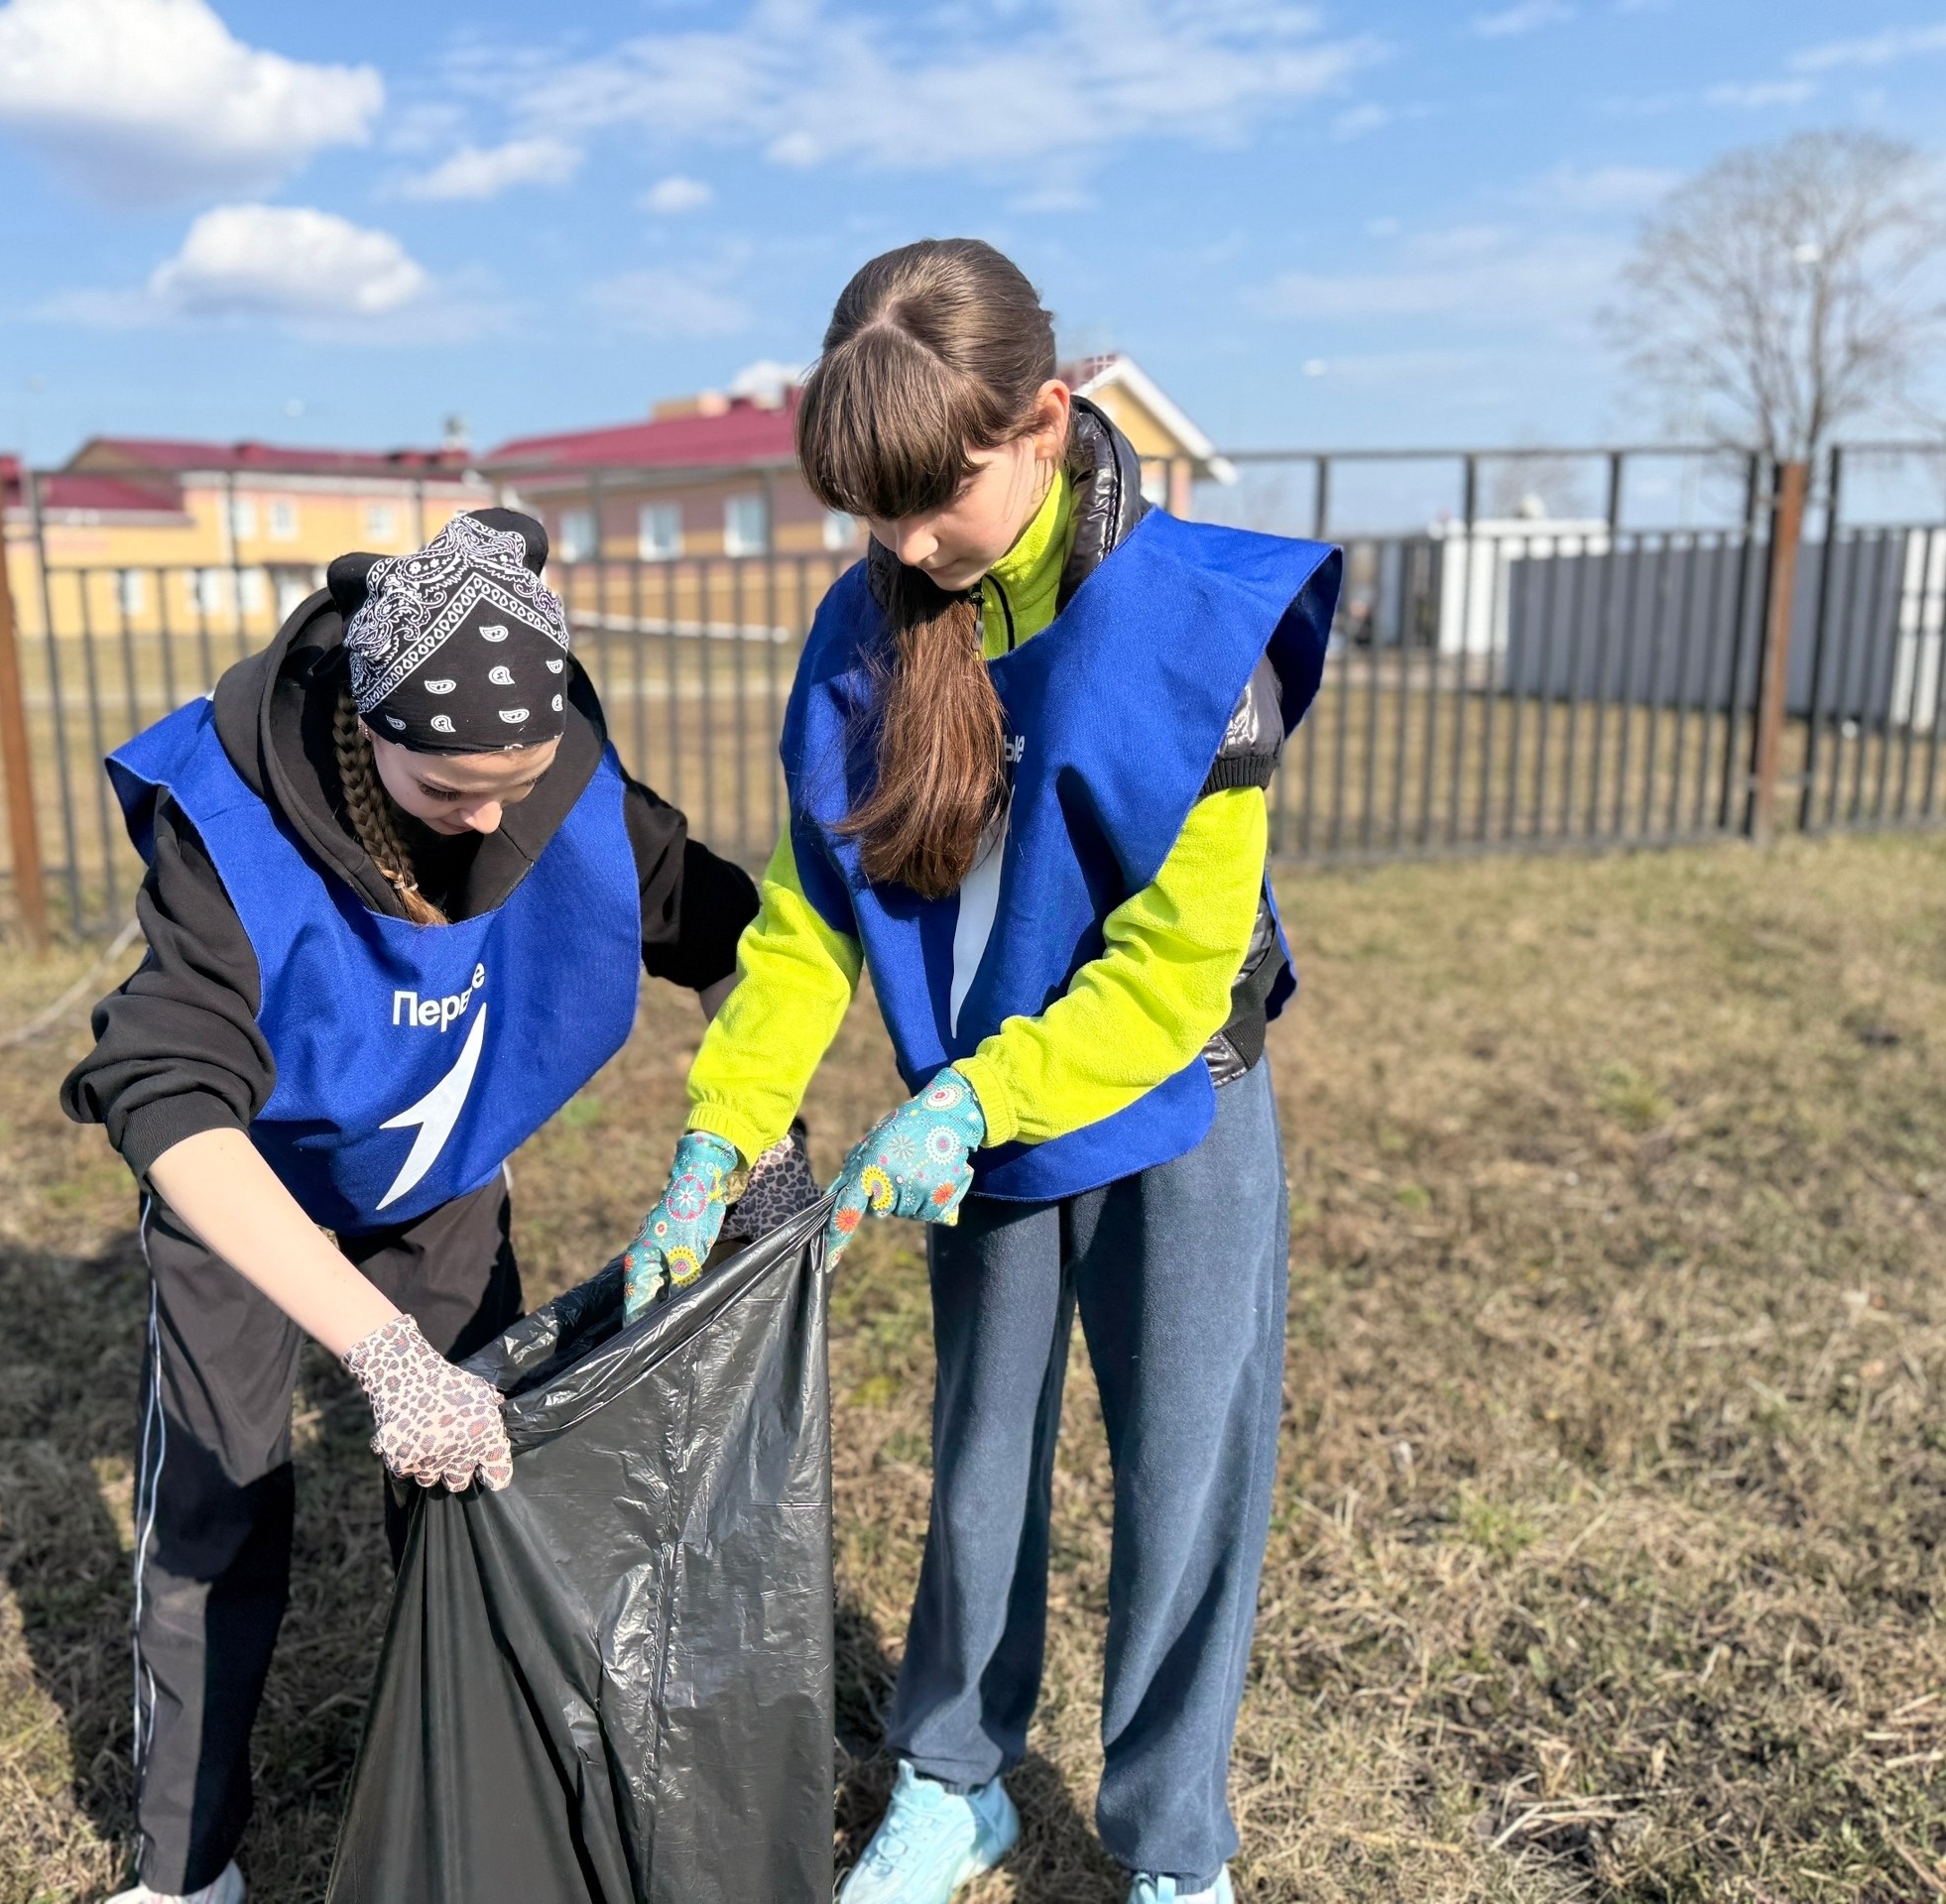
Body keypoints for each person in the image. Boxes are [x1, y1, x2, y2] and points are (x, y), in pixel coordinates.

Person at [619, 240, 1340, 1903]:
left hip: (1173, 1109)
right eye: (867, 512)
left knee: (1184, 1485)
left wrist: (969, 1097)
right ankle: (955, 1777)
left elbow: (1171, 974)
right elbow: (806, 921)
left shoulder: (1193, 629)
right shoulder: (864, 633)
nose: (902, 547)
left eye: (932, 500)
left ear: (1047, 420)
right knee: (980, 1465)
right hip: (983, 1141)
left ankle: (1175, 1849)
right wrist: (719, 1142)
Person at [64, 509, 773, 1904]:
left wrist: (760, 1131)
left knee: (470, 1493)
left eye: (521, 780)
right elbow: (166, 1096)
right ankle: (182, 1866)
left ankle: (464, 1795)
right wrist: (376, 1350)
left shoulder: (553, 778)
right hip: (253, 1187)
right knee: (218, 1503)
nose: (496, 819)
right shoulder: (235, 821)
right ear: (371, 731)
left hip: (438, 1182)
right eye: (453, 792)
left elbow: (733, 937)